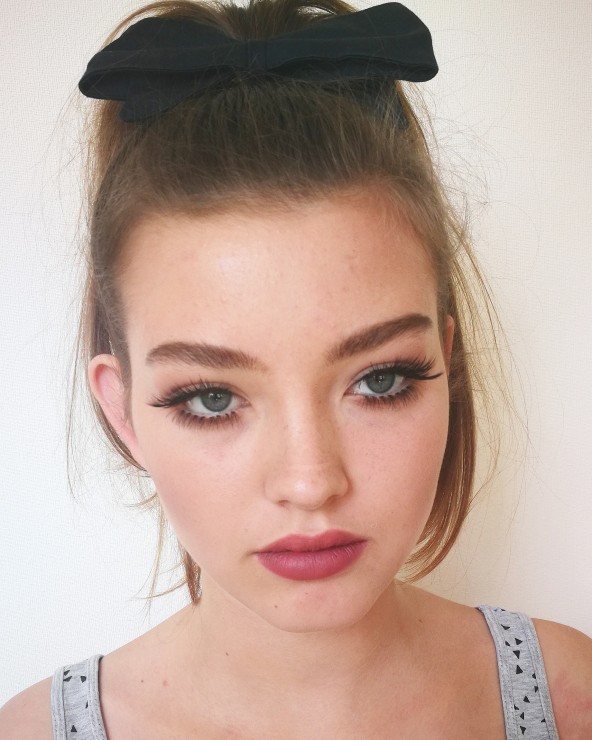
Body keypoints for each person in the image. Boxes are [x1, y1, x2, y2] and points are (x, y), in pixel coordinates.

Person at [1, 0, 591, 737]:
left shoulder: (571, 699)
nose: (311, 483)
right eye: (212, 399)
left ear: (445, 362)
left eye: (380, 381)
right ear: (122, 412)